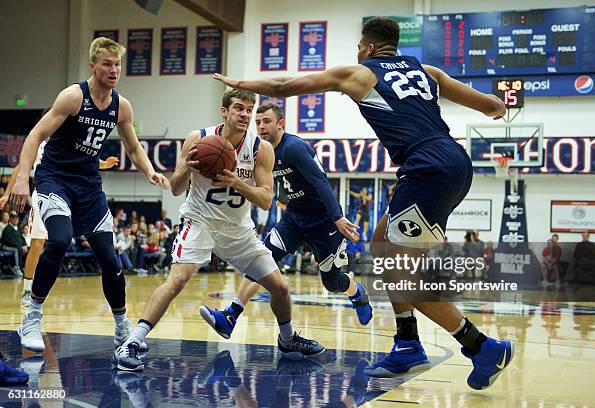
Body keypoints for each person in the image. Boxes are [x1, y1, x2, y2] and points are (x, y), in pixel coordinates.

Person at [213, 17, 512, 390]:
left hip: (427, 168)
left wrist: (238, 84)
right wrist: (500, 107)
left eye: (358, 47)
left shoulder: (360, 73)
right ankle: (407, 342)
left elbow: (283, 86)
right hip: (454, 162)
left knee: (400, 271)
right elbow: (490, 106)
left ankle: (481, 346)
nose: (357, 52)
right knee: (382, 242)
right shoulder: (428, 71)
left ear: (368, 47)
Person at [112, 90, 323, 372]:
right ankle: (132, 342)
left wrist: (238, 183)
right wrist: (186, 168)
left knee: (281, 288)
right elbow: (175, 189)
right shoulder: (198, 139)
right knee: (177, 280)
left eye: (249, 109)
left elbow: (265, 199)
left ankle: (287, 339)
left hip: (239, 230)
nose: (245, 114)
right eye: (239, 108)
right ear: (224, 112)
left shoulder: (261, 148)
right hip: (200, 221)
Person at [9, 37, 168, 353]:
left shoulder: (121, 106)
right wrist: (22, 181)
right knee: (58, 240)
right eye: (107, 63)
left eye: (117, 64)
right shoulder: (72, 97)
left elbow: (133, 146)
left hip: (88, 186)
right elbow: (35, 135)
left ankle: (122, 328)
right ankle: (32, 317)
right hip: (56, 179)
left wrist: (149, 170)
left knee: (109, 258)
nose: (114, 70)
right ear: (92, 65)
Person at [200, 103, 371, 340]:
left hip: (323, 223)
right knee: (260, 261)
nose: (260, 126)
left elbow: (320, 181)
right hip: (294, 219)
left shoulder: (294, 148)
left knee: (332, 283)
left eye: (266, 121)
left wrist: (338, 217)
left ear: (281, 124)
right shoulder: (262, 150)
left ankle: (357, 293)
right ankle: (231, 315)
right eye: (258, 122)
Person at [0, 138, 119, 306]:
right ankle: (27, 289)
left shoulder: (68, 139)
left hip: (64, 196)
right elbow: (20, 168)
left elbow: (83, 158)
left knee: (58, 243)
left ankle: (40, 289)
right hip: (43, 194)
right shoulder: (39, 143)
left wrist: (104, 164)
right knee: (37, 243)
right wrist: (6, 194)